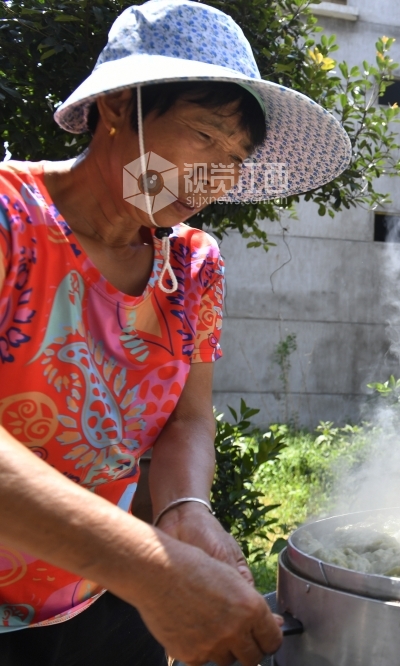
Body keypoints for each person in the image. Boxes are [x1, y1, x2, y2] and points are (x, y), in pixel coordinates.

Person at [0, 1, 350, 664]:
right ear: (118, 107)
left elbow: (187, 417)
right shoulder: (11, 220)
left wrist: (182, 508)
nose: (218, 175)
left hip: (106, 601)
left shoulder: (192, 266)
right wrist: (152, 570)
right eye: (204, 135)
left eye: (236, 157)